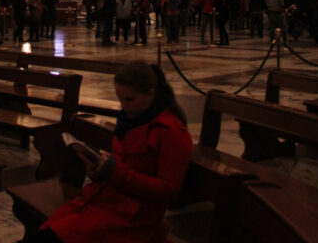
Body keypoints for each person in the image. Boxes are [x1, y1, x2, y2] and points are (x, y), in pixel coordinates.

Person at [25, 61, 193, 243]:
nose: (123, 106)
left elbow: (167, 191)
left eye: (129, 99)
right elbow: (123, 165)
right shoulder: (131, 120)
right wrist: (99, 170)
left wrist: (115, 171)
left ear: (151, 94)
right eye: (120, 99)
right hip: (104, 203)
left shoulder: (171, 132)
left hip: (133, 220)